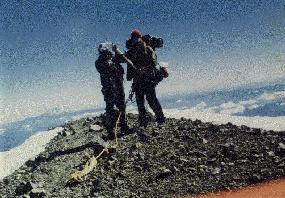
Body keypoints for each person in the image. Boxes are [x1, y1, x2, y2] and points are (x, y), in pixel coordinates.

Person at [126, 36, 166, 127]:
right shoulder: (136, 51)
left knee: (145, 101)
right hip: (145, 81)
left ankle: (153, 120)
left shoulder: (145, 49)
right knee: (148, 101)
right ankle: (157, 119)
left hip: (145, 80)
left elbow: (153, 63)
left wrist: (143, 69)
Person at [95, 43, 129, 139]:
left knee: (122, 106)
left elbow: (124, 60)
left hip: (118, 85)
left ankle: (124, 126)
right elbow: (103, 69)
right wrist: (109, 64)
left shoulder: (114, 58)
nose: (104, 50)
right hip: (108, 88)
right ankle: (110, 131)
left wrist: (117, 51)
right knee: (110, 108)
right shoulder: (98, 62)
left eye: (105, 48)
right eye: (102, 48)